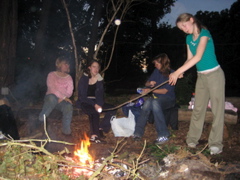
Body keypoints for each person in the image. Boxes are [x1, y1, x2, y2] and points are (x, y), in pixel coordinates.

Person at [169, 13, 225, 155]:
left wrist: (177, 72)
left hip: (215, 75)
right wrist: (181, 71)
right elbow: (190, 59)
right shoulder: (188, 38)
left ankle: (216, 144)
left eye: (184, 26)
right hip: (201, 77)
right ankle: (192, 140)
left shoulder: (204, 34)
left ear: (191, 20)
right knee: (198, 109)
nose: (184, 29)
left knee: (217, 111)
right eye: (181, 28)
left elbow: (198, 56)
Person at [133, 53, 176, 145]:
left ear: (163, 63)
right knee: (147, 103)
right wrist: (149, 83)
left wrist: (151, 90)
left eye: (157, 63)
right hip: (156, 98)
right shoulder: (156, 71)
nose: (155, 66)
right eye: (155, 64)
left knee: (155, 102)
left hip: (169, 99)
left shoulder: (172, 74)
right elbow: (147, 83)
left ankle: (163, 135)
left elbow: (165, 91)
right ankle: (137, 133)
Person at [76, 60, 116, 143]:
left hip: (96, 102)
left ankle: (101, 128)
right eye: (94, 66)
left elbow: (101, 96)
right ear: (89, 68)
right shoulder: (84, 79)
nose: (96, 69)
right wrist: (95, 105)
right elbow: (82, 97)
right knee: (94, 111)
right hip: (86, 102)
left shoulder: (99, 79)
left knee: (112, 108)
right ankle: (94, 136)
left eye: (98, 67)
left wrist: (99, 104)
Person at [38, 56, 74, 135]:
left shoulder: (69, 78)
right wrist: (63, 97)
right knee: (52, 98)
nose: (67, 66)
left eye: (68, 64)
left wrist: (63, 98)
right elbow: (52, 89)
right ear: (59, 64)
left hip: (62, 101)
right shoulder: (51, 75)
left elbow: (69, 92)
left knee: (68, 106)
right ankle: (41, 120)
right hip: (51, 98)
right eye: (65, 64)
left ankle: (66, 131)